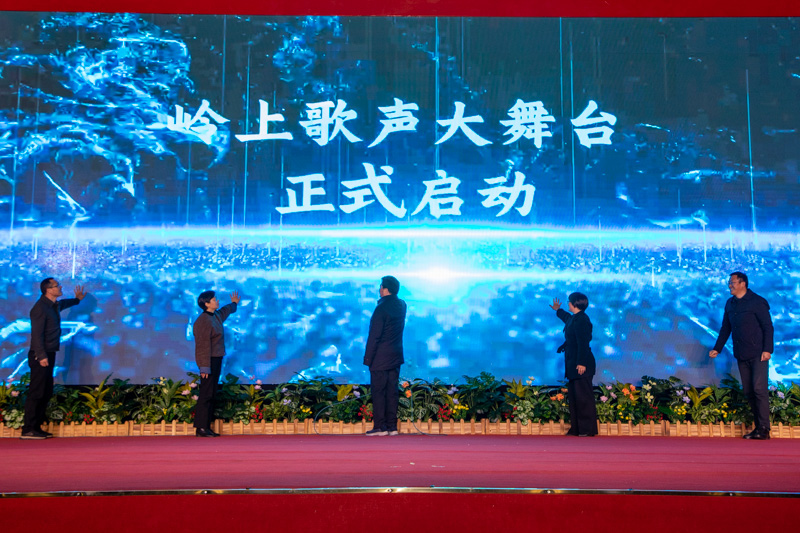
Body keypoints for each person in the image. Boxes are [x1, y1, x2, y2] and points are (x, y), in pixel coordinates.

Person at [709, 271, 774, 440]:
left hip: (758, 353)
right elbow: (726, 328)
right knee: (749, 391)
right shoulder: (730, 303)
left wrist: (767, 350)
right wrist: (717, 348)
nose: (730, 285)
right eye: (729, 283)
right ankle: (758, 427)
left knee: (759, 389)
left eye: (732, 282)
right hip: (741, 353)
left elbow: (768, 327)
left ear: (743, 283)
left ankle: (764, 428)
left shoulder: (757, 302)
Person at [21, 278, 87, 439]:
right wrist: (41, 356)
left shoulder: (53, 305)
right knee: (37, 392)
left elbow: (63, 304)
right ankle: (28, 429)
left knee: (45, 391)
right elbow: (37, 335)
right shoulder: (40, 308)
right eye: (57, 285)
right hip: (40, 355)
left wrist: (77, 300)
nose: (60, 287)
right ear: (48, 290)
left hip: (48, 353)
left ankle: (36, 427)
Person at [549, 292, 597, 437]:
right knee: (576, 397)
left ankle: (586, 429)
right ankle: (578, 429)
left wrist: (581, 363)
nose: (568, 303)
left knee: (583, 397)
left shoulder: (582, 320)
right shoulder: (575, 318)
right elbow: (567, 318)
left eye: (569, 302)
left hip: (581, 364)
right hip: (573, 364)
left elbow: (583, 343)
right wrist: (558, 310)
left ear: (575, 304)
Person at [363, 275, 407, 436]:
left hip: (380, 357)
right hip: (395, 355)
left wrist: (368, 358)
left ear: (386, 289)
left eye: (381, 286)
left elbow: (374, 335)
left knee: (379, 392)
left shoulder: (381, 308)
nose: (379, 289)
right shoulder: (402, 305)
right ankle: (392, 427)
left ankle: (380, 427)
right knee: (392, 392)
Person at [193, 289, 240, 437]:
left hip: (216, 359)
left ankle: (206, 426)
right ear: (207, 304)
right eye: (214, 300)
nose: (217, 301)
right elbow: (202, 346)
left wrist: (234, 304)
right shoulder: (203, 321)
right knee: (206, 393)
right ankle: (201, 427)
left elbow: (226, 311)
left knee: (212, 393)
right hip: (209, 361)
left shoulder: (216, 316)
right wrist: (204, 367)